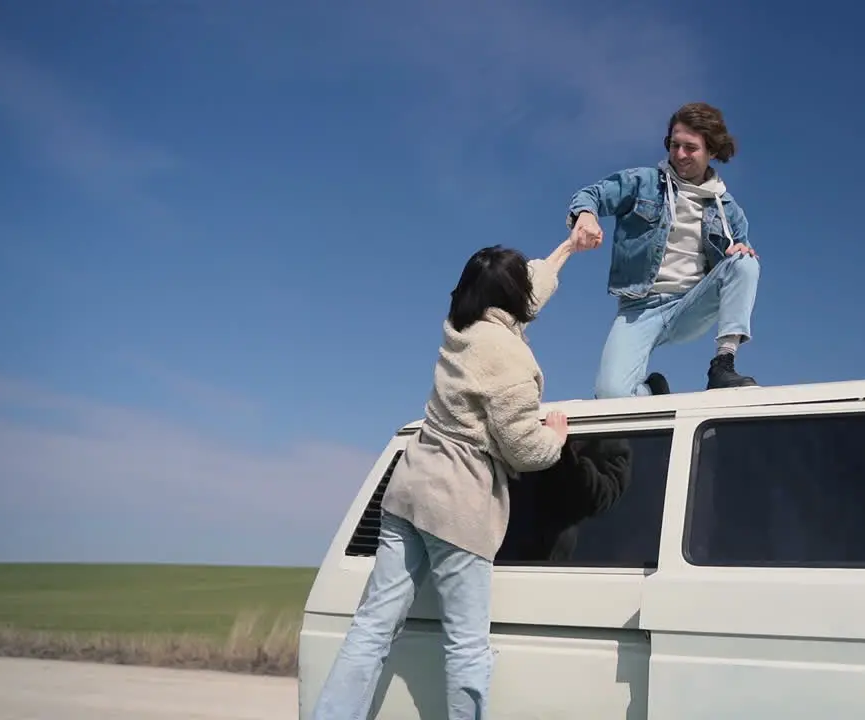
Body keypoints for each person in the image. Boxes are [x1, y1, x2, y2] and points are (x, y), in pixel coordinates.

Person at [312, 237, 589, 720]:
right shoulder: (509, 357)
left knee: (372, 627)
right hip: (457, 506)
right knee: (466, 646)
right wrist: (558, 438)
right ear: (510, 299)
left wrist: (568, 248)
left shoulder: (461, 327)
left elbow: (531, 289)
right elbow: (523, 450)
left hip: (408, 491)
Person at [565, 101, 761, 398]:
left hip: (690, 305)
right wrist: (586, 215)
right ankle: (653, 392)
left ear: (712, 151)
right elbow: (590, 195)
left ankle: (723, 364)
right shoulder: (643, 183)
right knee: (610, 396)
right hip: (639, 308)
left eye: (690, 148)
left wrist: (738, 253)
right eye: (674, 145)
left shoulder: (729, 211)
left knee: (746, 262)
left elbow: (735, 270)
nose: (680, 155)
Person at [496, 435, 634, 564]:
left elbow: (596, 496)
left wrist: (560, 447)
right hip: (492, 538)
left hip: (542, 561)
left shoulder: (609, 431)